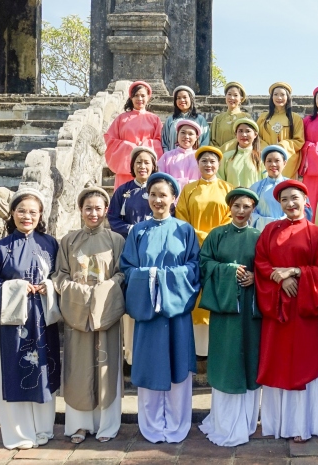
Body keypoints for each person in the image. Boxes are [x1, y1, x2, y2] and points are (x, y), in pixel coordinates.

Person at [0, 191, 62, 450]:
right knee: (17, 371)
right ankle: (19, 433)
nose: (27, 216)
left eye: (33, 212)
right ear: (12, 213)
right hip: (15, 322)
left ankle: (43, 428)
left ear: (40, 215)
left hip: (43, 318)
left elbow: (62, 275)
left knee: (44, 371)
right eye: (22, 211)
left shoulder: (50, 244)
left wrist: (50, 285)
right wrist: (17, 287)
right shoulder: (3, 247)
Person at [120, 173, 201, 444]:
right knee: (150, 366)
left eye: (163, 195)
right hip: (148, 312)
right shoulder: (138, 232)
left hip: (176, 311)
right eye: (153, 195)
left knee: (179, 366)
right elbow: (127, 268)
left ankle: (177, 424)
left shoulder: (184, 230)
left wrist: (164, 279)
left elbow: (193, 268)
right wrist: (150, 278)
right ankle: (152, 425)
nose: (157, 200)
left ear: (173, 198)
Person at [254, 179, 318, 442]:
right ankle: (277, 424)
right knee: (277, 362)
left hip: (303, 308)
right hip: (277, 308)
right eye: (284, 199)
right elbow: (261, 261)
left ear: (305, 200)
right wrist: (280, 280)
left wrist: (296, 272)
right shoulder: (270, 230)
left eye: (294, 198)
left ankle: (302, 425)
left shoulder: (316, 233)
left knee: (303, 362)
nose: (290, 203)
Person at [54, 185, 126, 443]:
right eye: (88, 208)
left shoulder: (116, 240)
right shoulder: (68, 240)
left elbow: (121, 273)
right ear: (80, 210)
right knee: (79, 368)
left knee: (106, 367)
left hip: (106, 311)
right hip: (77, 311)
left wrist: (102, 290)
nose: (93, 213)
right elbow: (60, 275)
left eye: (98, 208)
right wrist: (79, 292)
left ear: (106, 210)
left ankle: (107, 425)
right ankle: (80, 425)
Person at [198, 188, 264, 446]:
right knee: (226, 361)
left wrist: (256, 277)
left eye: (246, 206)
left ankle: (247, 421)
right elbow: (204, 264)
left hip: (250, 310)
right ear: (229, 207)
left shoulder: (259, 237)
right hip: (225, 310)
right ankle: (224, 422)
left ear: (253, 209)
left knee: (249, 359)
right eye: (236, 206)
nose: (241, 211)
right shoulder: (216, 235)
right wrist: (228, 270)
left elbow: (267, 267)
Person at [174, 145, 232, 356]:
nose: (208, 165)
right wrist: (199, 238)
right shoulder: (188, 190)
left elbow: (231, 217)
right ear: (197, 164)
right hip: (193, 251)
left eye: (212, 161)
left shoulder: (227, 188)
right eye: (204, 161)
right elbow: (181, 218)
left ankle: (216, 350)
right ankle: (196, 352)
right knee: (196, 298)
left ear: (219, 164)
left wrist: (212, 239)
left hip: (219, 251)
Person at [104, 81, 163, 188]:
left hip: (146, 169)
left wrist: (145, 145)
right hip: (125, 167)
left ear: (148, 97)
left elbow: (159, 141)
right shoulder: (121, 119)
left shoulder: (155, 119)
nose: (139, 99)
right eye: (136, 95)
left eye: (143, 96)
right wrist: (128, 147)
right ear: (131, 98)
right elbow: (110, 140)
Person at [107, 145, 158, 239]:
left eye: (147, 163)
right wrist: (131, 229)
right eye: (138, 162)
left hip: (154, 239)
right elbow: (113, 218)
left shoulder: (159, 189)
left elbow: (169, 215)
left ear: (153, 166)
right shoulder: (123, 190)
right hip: (128, 240)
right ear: (133, 165)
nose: (142, 166)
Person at [252, 145, 313, 223]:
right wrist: (266, 222)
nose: (273, 164)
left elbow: (306, 211)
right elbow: (250, 213)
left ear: (284, 163)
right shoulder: (256, 187)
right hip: (263, 229)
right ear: (264, 164)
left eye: (277, 160)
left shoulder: (294, 186)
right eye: (269, 161)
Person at [257, 82, 305, 180]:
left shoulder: (295, 118)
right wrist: (266, 148)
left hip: (286, 158)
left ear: (288, 97)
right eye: (276, 94)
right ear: (271, 97)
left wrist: (282, 145)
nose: (279, 98)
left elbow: (299, 140)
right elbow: (256, 137)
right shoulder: (263, 117)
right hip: (265, 156)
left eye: (282, 94)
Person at [219, 118, 264, 189]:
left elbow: (266, 182)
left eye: (248, 131)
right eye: (240, 131)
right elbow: (220, 181)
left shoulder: (262, 157)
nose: (244, 134)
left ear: (255, 135)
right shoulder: (226, 157)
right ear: (236, 134)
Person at [161, 85, 209, 152]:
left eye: (184, 97)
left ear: (191, 99)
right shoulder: (170, 120)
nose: (182, 100)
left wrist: (198, 156)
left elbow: (205, 142)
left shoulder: (200, 120)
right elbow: (165, 143)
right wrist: (168, 155)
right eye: (178, 98)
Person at [158, 120, 202, 191]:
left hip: (194, 194)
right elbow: (159, 178)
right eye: (183, 132)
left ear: (196, 138)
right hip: (172, 194)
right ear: (177, 134)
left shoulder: (200, 157)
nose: (186, 136)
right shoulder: (167, 156)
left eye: (190, 134)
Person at [210, 82, 250, 148]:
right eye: (229, 94)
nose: (232, 98)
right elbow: (212, 141)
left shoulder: (246, 117)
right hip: (220, 153)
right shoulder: (218, 119)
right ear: (225, 96)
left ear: (241, 99)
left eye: (235, 95)